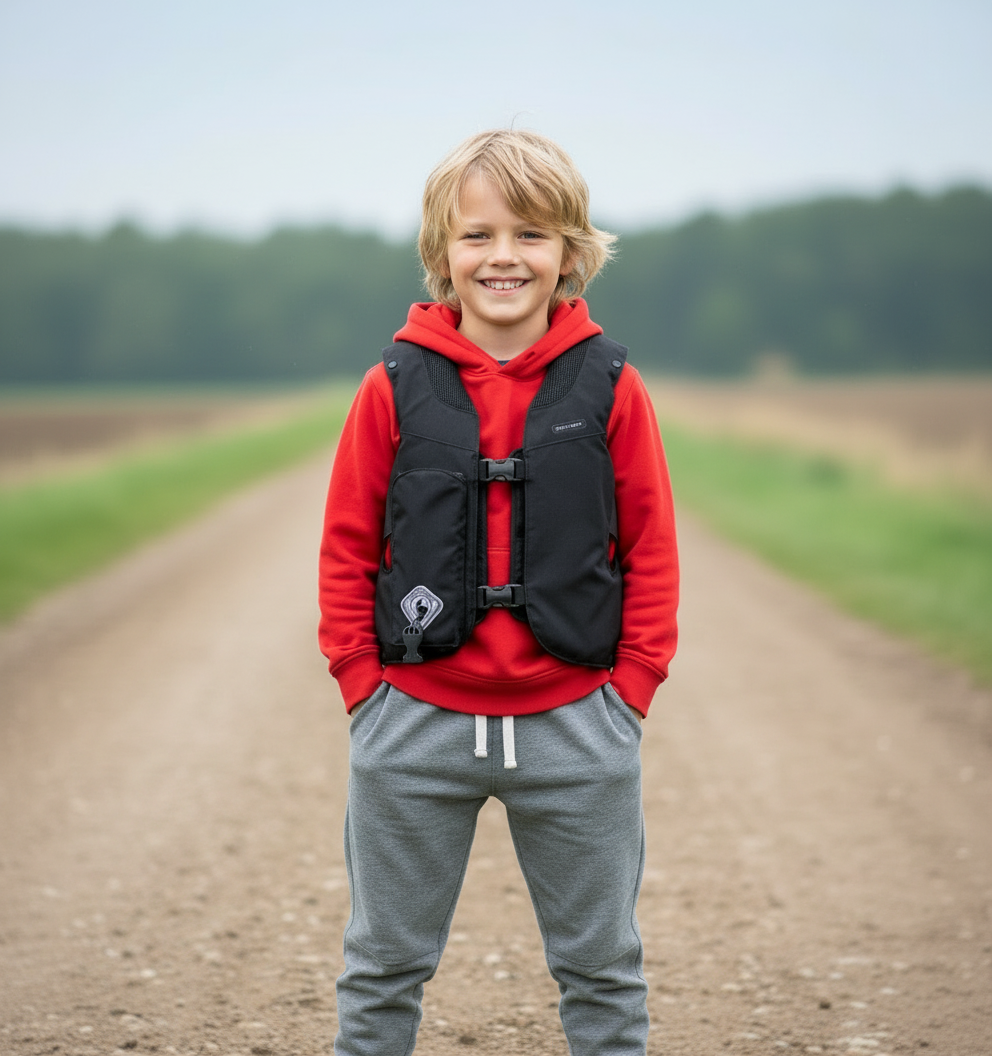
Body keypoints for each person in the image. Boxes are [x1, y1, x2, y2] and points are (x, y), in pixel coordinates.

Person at [318, 128, 679, 1056]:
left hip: (577, 728)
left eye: (530, 234)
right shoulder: (391, 385)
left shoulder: (614, 387)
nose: (503, 257)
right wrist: (363, 683)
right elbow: (348, 543)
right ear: (443, 252)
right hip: (413, 724)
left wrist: (630, 690)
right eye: (477, 236)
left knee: (603, 967)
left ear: (569, 253)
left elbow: (651, 544)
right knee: (382, 965)